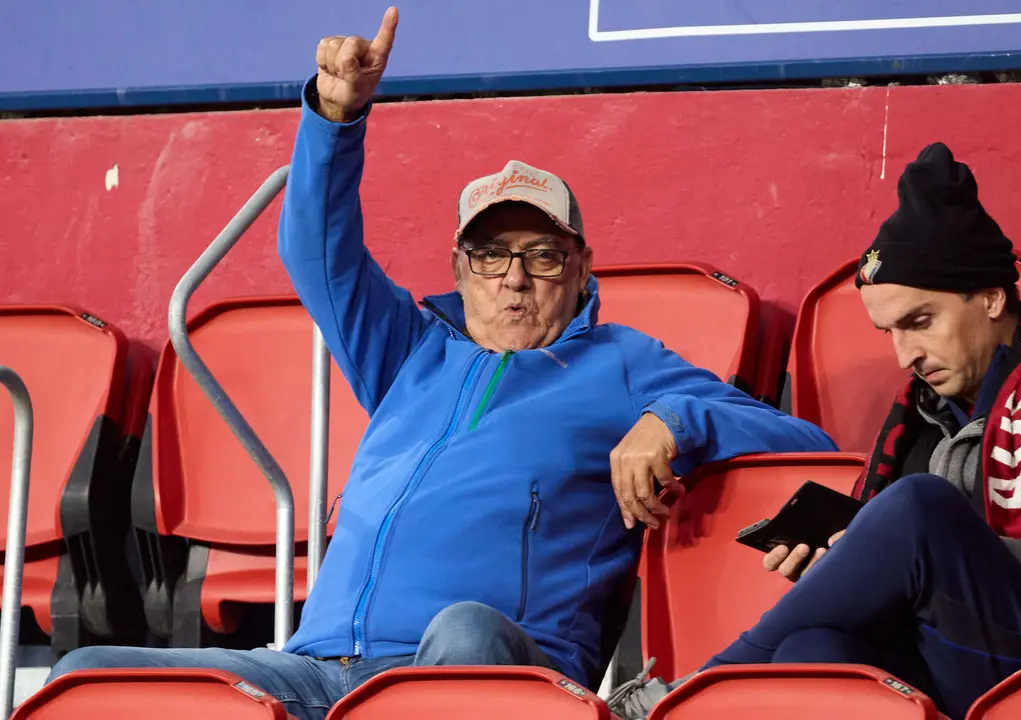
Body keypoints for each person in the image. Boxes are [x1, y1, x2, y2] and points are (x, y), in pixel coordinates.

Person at [46, 8, 836, 719]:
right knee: (86, 675)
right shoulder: (409, 348)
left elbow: (799, 443)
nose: (515, 277)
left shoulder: (624, 363)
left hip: (492, 667)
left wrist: (673, 418)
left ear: (584, 268)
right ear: (459, 271)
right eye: (492, 255)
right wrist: (335, 117)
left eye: (543, 255)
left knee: (459, 631)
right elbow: (317, 254)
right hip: (311, 670)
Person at [608, 142, 1021, 719]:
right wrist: (853, 561)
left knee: (921, 506)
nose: (905, 354)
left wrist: (952, 548)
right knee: (814, 651)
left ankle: (697, 696)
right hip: (971, 653)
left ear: (989, 297)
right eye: (889, 331)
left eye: (920, 322)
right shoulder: (924, 411)